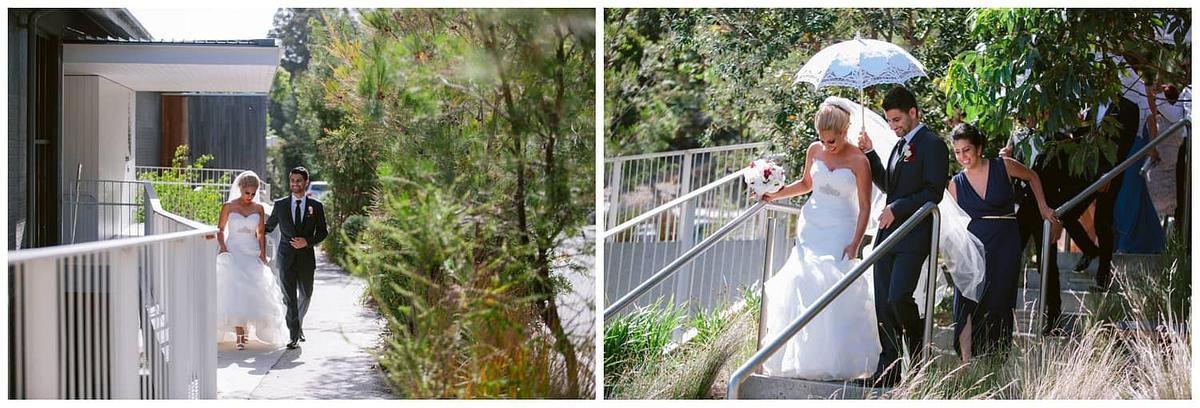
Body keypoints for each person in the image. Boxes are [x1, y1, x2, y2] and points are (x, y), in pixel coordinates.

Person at [758, 97, 879, 380]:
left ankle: (834, 360)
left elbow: (865, 207)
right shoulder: (815, 150)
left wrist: (855, 242)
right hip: (811, 225)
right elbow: (806, 184)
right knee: (801, 280)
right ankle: (799, 358)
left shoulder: (860, 161)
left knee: (831, 284)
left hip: (841, 228)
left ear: (845, 131)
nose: (826, 145)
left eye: (832, 140)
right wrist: (775, 194)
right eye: (822, 140)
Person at [856, 86, 950, 386]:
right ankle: (889, 370)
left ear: (913, 112)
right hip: (887, 236)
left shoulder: (933, 144)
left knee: (899, 297)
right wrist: (870, 153)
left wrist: (897, 208)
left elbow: (933, 192)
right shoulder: (899, 147)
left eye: (897, 120)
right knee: (883, 303)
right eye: (889, 121)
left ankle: (919, 356)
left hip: (914, 234)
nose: (893, 126)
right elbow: (890, 186)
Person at [948, 124, 1057, 360]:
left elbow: (1032, 176)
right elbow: (954, 224)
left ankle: (995, 358)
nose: (963, 157)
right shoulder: (955, 184)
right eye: (957, 152)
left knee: (1000, 300)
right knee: (967, 299)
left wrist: (1042, 206)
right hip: (973, 246)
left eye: (967, 150)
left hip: (1005, 242)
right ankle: (966, 363)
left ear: (979, 148)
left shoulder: (1003, 165)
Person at [216, 171, 286, 350]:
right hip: (233, 251)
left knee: (252, 291)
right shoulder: (228, 206)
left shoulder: (258, 208)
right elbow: (220, 230)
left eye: (253, 193)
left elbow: (260, 233)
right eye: (247, 192)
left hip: (251, 251)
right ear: (240, 188)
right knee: (235, 291)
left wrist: (262, 253)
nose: (250, 196)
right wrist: (223, 247)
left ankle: (247, 330)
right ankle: (240, 334)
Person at [265, 167, 329, 349]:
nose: (295, 184)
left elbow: (323, 232)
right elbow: (269, 227)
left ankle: (298, 323)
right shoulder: (280, 205)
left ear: (306, 182)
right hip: (286, 258)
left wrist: (307, 242)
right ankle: (293, 335)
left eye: (298, 181)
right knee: (290, 298)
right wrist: (250, 226)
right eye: (292, 180)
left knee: (306, 294)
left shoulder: (316, 206)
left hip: (306, 258)